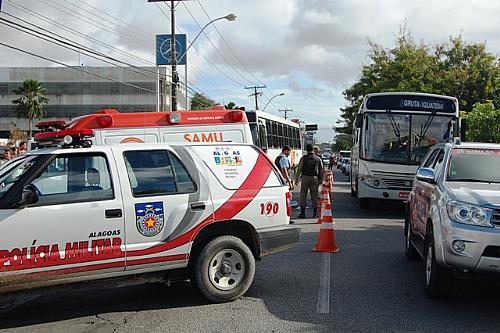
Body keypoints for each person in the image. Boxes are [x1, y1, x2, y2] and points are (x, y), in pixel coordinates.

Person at [294, 143, 323, 218]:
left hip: (305, 177)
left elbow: (299, 168)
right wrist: (320, 179)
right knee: (314, 195)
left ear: (306, 150)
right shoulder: (318, 158)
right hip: (315, 178)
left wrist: (296, 178)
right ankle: (315, 213)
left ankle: (303, 213)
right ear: (313, 149)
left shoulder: (304, 158)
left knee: (303, 194)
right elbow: (321, 170)